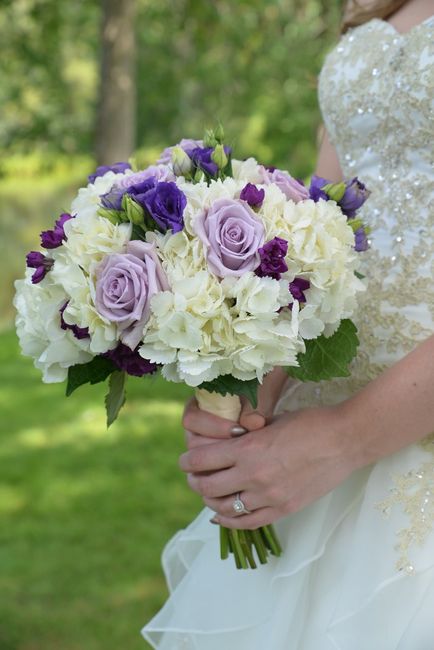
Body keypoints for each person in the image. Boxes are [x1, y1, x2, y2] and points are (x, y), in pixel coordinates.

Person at [142, 0, 434, 647]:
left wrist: (342, 441)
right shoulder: (372, 8)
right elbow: (323, 230)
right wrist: (252, 388)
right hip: (311, 424)